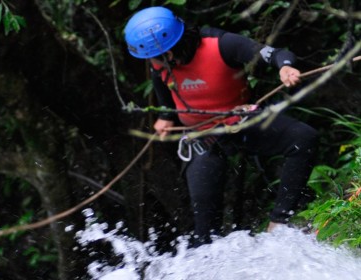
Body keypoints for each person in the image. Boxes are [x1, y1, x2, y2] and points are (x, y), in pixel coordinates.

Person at [124, 6, 318, 246]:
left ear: (173, 48)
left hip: (242, 121)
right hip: (202, 136)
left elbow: (275, 54)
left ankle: (279, 223)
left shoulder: (221, 44)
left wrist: (285, 66)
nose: (153, 63)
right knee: (204, 230)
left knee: (303, 138)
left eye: (157, 57)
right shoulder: (159, 62)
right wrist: (165, 114)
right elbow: (161, 83)